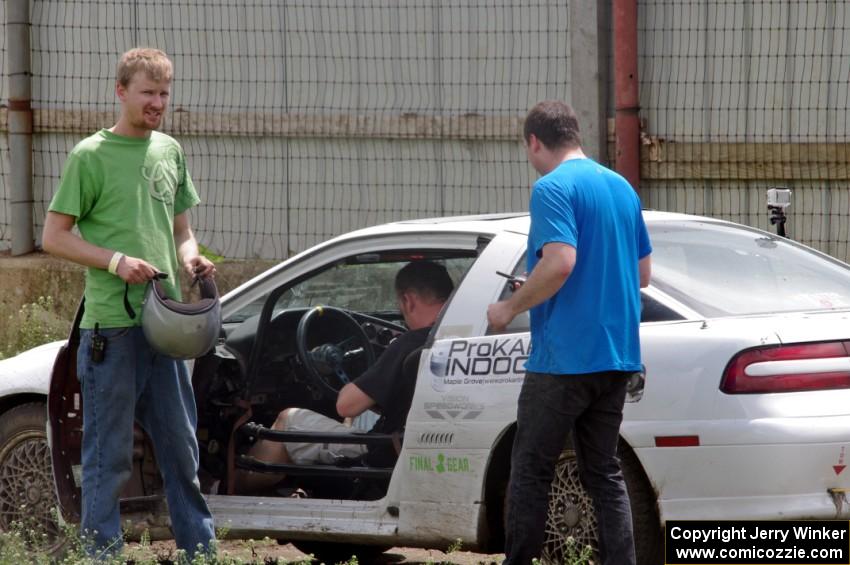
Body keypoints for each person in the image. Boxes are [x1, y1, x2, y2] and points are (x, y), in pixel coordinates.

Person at [41, 48, 215, 559]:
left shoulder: (169, 150)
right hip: (110, 330)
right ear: (121, 91)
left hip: (166, 327)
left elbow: (182, 231)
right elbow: (54, 236)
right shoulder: (89, 156)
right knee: (109, 458)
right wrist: (116, 261)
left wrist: (191, 259)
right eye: (147, 93)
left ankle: (200, 552)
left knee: (182, 451)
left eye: (164, 93)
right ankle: (102, 554)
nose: (158, 103)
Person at [487, 100, 652, 565]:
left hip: (564, 359)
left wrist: (508, 307)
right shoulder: (620, 187)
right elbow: (642, 273)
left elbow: (559, 262)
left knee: (532, 469)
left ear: (534, 141)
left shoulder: (551, 188)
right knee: (603, 471)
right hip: (617, 354)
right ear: (575, 135)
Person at [239, 260, 454, 492]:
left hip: (378, 452)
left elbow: (346, 407)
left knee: (288, 420)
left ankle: (225, 490)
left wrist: (350, 380)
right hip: (409, 447)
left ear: (408, 300)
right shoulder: (459, 337)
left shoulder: (410, 343)